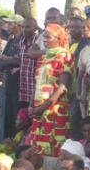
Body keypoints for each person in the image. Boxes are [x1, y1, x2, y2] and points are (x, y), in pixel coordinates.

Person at [24, 23, 74, 157]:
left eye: (48, 37)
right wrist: (31, 106)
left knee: (53, 148)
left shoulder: (65, 56)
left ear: (58, 38)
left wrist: (42, 108)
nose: (44, 40)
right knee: (38, 149)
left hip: (55, 110)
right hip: (38, 110)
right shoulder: (43, 57)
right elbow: (37, 84)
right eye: (44, 36)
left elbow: (62, 87)